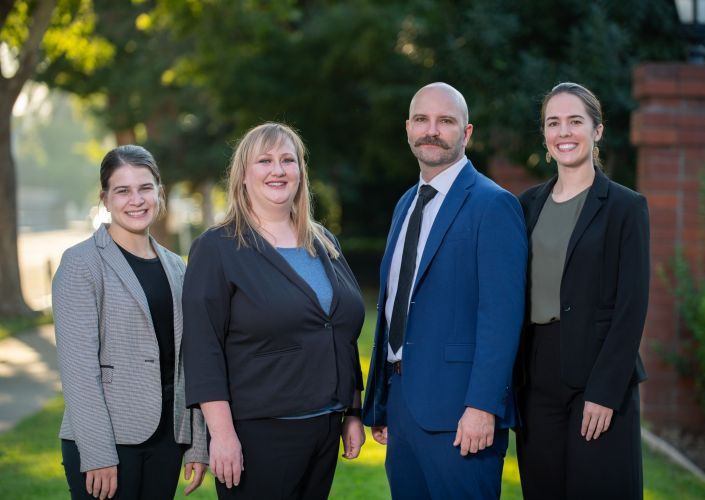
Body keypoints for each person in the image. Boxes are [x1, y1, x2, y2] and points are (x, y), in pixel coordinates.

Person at [182, 122, 366, 499]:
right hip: (258, 434)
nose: (278, 170)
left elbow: (341, 333)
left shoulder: (324, 242)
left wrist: (352, 411)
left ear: (301, 171)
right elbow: (203, 350)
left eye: (288, 160)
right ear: (243, 176)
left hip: (325, 428)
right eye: (264, 161)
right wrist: (222, 435)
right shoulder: (217, 248)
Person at [362, 82, 527, 499]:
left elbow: (502, 317)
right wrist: (383, 400)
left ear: (466, 133)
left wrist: (483, 406)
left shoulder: (493, 205)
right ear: (408, 129)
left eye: (445, 121)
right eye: (422, 120)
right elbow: (395, 305)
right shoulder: (406, 204)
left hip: (462, 413)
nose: (431, 130)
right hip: (403, 408)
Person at [514, 82, 650, 500]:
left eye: (575, 121)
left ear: (597, 131)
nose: (564, 132)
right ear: (544, 136)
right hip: (536, 376)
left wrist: (604, 392)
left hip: (598, 374)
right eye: (553, 123)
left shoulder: (626, 207)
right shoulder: (525, 205)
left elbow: (632, 306)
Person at [52, 145, 208, 500]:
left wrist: (198, 444)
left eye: (145, 188)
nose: (135, 200)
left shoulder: (177, 266)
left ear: (159, 192)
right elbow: (78, 371)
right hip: (107, 441)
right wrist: (97, 453)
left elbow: (189, 363)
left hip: (168, 438)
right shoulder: (81, 264)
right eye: (122, 190)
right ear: (105, 199)